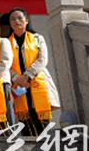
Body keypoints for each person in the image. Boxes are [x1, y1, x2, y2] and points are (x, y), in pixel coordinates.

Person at [8, 8, 61, 136]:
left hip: (37, 80)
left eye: (20, 18)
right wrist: (17, 78)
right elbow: (5, 64)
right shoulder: (6, 42)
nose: (17, 21)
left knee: (41, 120)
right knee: (26, 123)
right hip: (19, 85)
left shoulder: (37, 38)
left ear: (26, 21)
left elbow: (42, 59)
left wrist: (27, 76)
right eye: (13, 19)